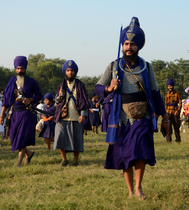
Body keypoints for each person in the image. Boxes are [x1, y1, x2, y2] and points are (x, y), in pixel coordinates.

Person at [94, 17, 169, 200]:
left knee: (141, 151)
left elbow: (156, 93)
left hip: (142, 116)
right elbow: (97, 88)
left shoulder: (147, 67)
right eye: (126, 43)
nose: (128, 47)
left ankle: (138, 187)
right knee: (125, 154)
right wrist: (109, 88)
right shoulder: (113, 66)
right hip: (121, 117)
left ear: (139, 46)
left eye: (132, 44)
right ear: (122, 45)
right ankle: (129, 191)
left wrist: (165, 118)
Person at [0, 56, 42, 166]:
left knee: (22, 137)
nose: (20, 70)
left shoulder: (31, 82)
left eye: (22, 68)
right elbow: (7, 100)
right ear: (15, 69)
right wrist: (1, 115)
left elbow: (39, 95)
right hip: (15, 113)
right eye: (18, 68)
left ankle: (19, 163)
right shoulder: (12, 82)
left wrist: (31, 99)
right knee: (14, 137)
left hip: (27, 113)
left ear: (25, 69)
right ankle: (29, 153)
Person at [53, 60, 89, 167]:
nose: (70, 73)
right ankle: (64, 159)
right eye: (68, 70)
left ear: (75, 72)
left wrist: (83, 114)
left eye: (72, 70)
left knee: (77, 140)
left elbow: (84, 101)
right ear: (65, 72)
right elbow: (56, 101)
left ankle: (75, 161)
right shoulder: (61, 85)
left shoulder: (80, 85)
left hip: (76, 116)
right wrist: (59, 97)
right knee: (59, 137)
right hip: (62, 116)